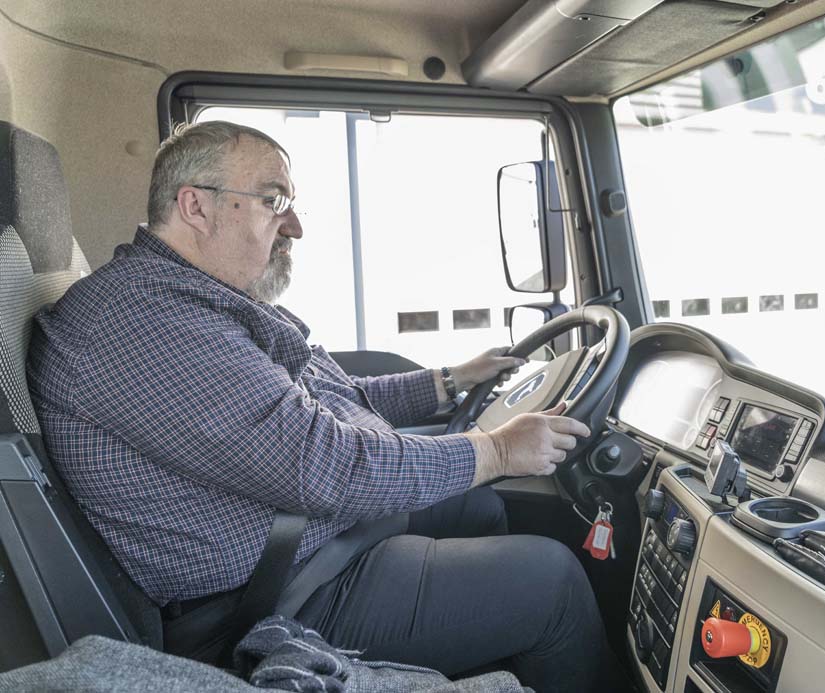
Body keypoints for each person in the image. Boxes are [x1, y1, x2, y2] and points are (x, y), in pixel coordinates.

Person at [27, 121, 623, 692]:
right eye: (273, 199)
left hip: (313, 539)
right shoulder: (145, 322)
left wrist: (447, 382)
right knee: (553, 581)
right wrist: (496, 449)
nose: (294, 226)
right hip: (275, 594)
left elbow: (337, 398)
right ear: (196, 206)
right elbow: (327, 467)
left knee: (480, 507)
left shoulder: (202, 300)